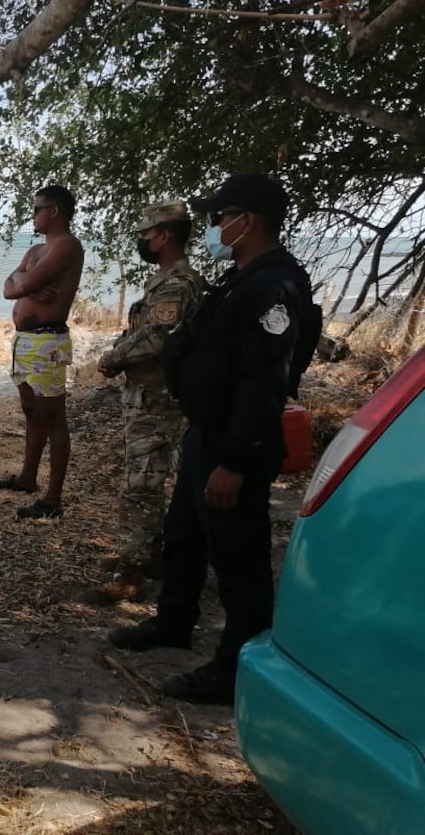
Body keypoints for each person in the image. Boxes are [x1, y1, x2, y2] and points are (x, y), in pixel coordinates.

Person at [107, 173, 321, 705]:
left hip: (233, 444)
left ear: (244, 221)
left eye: (217, 218)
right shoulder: (241, 278)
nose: (211, 228)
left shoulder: (275, 286)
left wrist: (235, 459)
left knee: (238, 558)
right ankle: (173, 622)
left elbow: (265, 383)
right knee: (185, 535)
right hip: (207, 433)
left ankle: (235, 668)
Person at [84, 201, 206, 604]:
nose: (142, 241)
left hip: (157, 399)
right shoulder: (166, 280)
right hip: (148, 395)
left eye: (146, 234)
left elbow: (156, 337)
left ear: (165, 236)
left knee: (141, 483)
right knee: (146, 479)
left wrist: (112, 357)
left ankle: (131, 568)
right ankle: (150, 555)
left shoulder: (176, 283)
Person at [0, 185, 85, 519]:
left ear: (55, 211)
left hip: (47, 342)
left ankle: (53, 498)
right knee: (31, 410)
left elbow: (24, 285)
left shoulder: (68, 246)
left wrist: (23, 282)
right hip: (25, 341)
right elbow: (7, 287)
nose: (33, 216)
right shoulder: (34, 251)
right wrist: (20, 279)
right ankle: (27, 477)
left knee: (53, 417)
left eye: (37, 209)